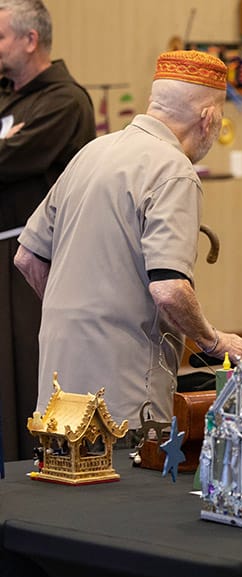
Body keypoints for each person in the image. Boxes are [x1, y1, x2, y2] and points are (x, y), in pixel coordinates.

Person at [14, 50, 242, 428]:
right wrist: (214, 341)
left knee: (61, 480)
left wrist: (77, 317)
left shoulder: (91, 152)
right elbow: (170, 290)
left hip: (57, 380)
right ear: (208, 118)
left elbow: (27, 257)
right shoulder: (173, 169)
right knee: (125, 486)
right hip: (121, 391)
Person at [0, 0, 95, 461]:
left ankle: (28, 471)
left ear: (30, 40)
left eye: (0, 37)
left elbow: (11, 161)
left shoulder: (63, 101)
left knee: (24, 374)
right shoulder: (8, 96)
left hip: (30, 260)